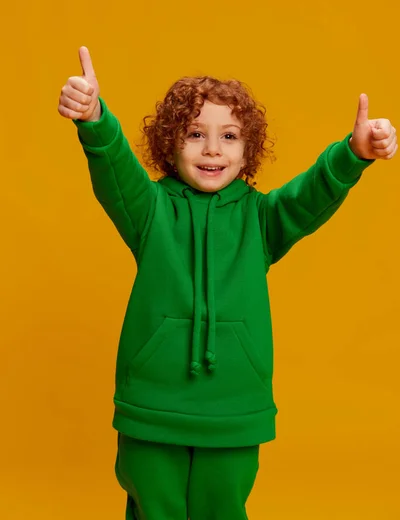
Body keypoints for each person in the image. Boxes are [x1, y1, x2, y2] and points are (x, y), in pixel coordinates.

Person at [58, 46, 397, 520]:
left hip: (235, 408)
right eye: (195, 133)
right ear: (169, 144)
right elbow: (114, 166)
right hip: (153, 404)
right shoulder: (150, 212)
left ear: (248, 150)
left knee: (223, 508)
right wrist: (94, 119)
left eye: (230, 136)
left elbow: (308, 196)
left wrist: (352, 155)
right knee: (155, 508)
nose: (213, 148)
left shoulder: (260, 219)